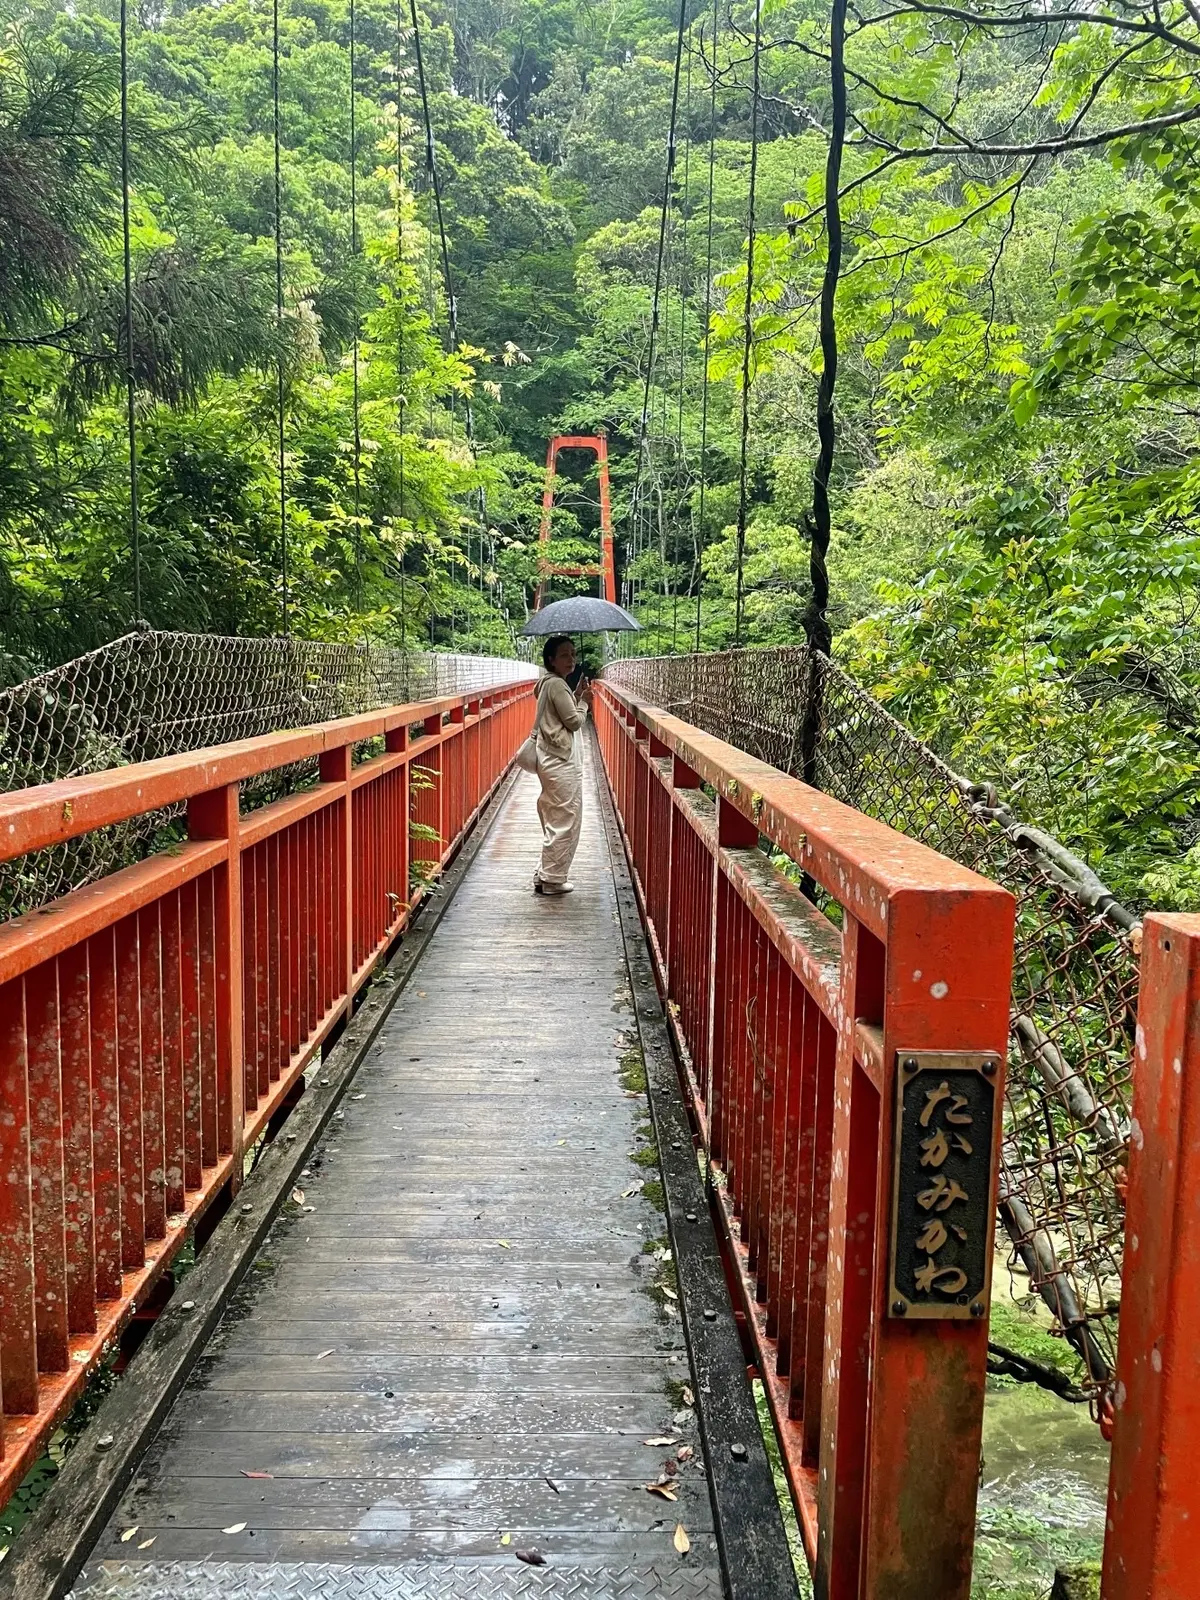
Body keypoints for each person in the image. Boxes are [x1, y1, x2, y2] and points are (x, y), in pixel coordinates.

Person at [532, 635, 592, 896]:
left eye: (573, 654)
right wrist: (584, 702)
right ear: (551, 660)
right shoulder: (557, 685)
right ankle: (553, 880)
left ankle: (544, 873)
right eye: (565, 655)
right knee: (565, 817)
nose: (572, 659)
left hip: (548, 758)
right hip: (560, 761)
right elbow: (575, 722)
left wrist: (575, 693)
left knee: (555, 814)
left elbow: (560, 714)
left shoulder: (548, 684)